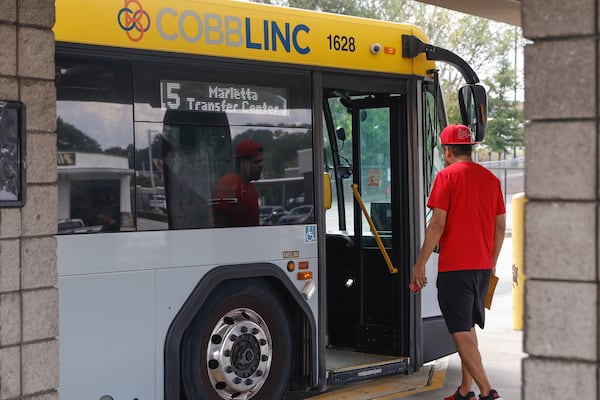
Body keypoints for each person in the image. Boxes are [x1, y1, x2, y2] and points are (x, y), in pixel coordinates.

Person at [410, 124, 506, 400]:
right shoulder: (491, 180)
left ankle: (487, 390)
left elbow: (437, 224)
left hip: (456, 268)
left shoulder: (446, 176)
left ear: (447, 150)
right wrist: (491, 262)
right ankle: (466, 390)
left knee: (459, 331)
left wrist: (420, 264)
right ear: (470, 148)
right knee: (468, 327)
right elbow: (500, 228)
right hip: (481, 269)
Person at [212, 139, 264, 227]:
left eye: (261, 161)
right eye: (256, 162)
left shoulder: (252, 190)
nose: (261, 166)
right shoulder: (227, 185)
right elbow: (220, 226)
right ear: (243, 163)